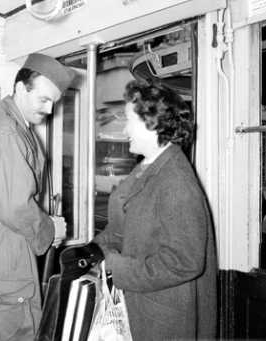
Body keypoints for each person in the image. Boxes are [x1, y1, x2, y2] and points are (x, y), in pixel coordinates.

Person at [0, 53, 76, 341]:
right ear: (20, 88)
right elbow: (15, 206)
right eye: (43, 99)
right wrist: (50, 229)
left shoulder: (0, 124)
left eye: (53, 101)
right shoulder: (7, 132)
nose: (49, 110)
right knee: (19, 332)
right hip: (8, 249)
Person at [93, 81, 218, 340]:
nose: (125, 129)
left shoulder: (176, 181)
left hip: (162, 318)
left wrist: (116, 266)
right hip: (138, 306)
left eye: (129, 120)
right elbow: (121, 227)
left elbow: (185, 262)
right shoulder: (146, 168)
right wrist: (91, 251)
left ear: (153, 123)